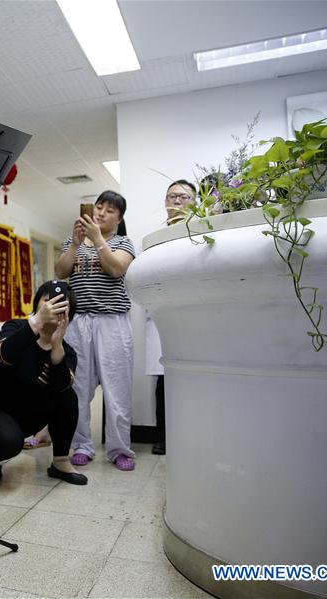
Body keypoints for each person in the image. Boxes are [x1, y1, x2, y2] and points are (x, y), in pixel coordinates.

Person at [0, 281, 87, 485]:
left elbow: (61, 385)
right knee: (9, 442)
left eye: (61, 305)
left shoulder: (66, 351)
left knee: (68, 395)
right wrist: (37, 322)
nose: (53, 307)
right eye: (48, 301)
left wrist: (56, 346)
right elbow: (5, 355)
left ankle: (61, 461)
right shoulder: (16, 327)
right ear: (38, 304)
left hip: (22, 414)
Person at [55, 191, 137, 471]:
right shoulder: (74, 241)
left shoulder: (123, 242)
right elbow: (60, 271)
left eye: (110, 210)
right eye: (99, 207)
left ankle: (120, 449)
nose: (101, 213)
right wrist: (75, 245)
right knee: (77, 388)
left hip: (112, 321)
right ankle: (82, 446)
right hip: (78, 323)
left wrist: (98, 239)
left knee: (117, 389)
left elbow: (116, 269)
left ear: (119, 218)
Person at [147, 179, 198, 455]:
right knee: (164, 382)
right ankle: (163, 437)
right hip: (164, 315)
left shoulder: (202, 231)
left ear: (194, 202)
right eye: (171, 196)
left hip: (194, 315)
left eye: (183, 196)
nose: (176, 201)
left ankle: (194, 434)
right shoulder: (156, 237)